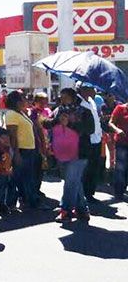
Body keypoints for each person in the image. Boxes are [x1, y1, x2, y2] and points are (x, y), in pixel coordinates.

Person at [43, 88, 94, 221]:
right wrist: (57, 121)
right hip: (62, 151)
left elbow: (90, 129)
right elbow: (46, 123)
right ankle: (82, 210)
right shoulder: (59, 110)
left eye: (65, 97)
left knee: (71, 180)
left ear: (73, 97)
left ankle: (66, 210)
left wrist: (70, 124)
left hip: (79, 152)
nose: (62, 99)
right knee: (73, 180)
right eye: (61, 97)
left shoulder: (84, 111)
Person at [4, 90, 39, 209]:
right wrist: (16, 153)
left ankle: (26, 200)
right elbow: (13, 135)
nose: (25, 100)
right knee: (16, 177)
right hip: (21, 150)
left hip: (29, 149)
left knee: (27, 177)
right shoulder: (11, 114)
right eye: (23, 98)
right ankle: (11, 203)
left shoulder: (21, 113)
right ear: (17, 101)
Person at [50, 107, 82, 222]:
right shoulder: (57, 126)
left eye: (66, 116)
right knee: (73, 183)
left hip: (75, 156)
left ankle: (67, 211)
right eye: (61, 116)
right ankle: (82, 209)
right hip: (62, 156)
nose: (63, 118)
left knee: (70, 184)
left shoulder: (76, 127)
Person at [76, 82, 103, 203]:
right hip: (85, 141)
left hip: (96, 139)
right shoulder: (78, 103)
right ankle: (83, 194)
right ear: (84, 90)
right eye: (92, 88)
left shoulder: (91, 102)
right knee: (85, 169)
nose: (95, 91)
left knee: (93, 168)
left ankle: (90, 193)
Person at [109, 100, 128, 200]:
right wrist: (117, 130)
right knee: (120, 168)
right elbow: (111, 123)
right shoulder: (120, 108)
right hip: (122, 143)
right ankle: (119, 192)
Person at [0, 128, 15, 215]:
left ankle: (9, 204)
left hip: (9, 171)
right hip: (1, 172)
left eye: (7, 138)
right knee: (1, 188)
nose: (6, 140)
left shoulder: (10, 148)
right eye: (3, 138)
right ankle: (1, 205)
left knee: (10, 187)